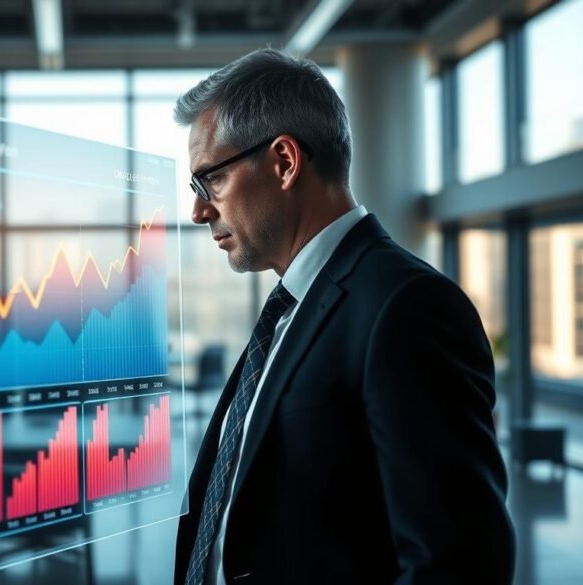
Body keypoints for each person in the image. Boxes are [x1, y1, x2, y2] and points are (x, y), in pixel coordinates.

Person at [172, 48, 515, 585]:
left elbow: (458, 563)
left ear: (284, 162)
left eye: (210, 180)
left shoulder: (409, 308)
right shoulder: (292, 306)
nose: (197, 211)